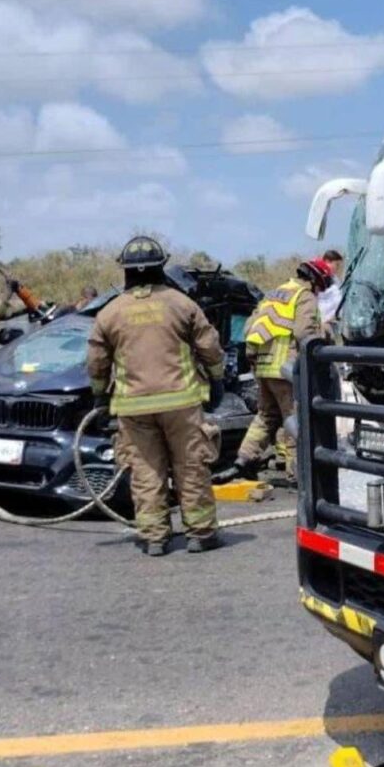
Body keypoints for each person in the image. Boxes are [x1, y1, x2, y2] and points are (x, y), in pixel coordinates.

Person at [86, 236, 226, 557]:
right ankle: (200, 534)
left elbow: (96, 361)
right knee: (191, 466)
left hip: (133, 406)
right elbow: (209, 346)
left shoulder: (110, 313)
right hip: (181, 402)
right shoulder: (181, 304)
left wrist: (99, 398)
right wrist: (216, 381)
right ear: (161, 266)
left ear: (126, 271)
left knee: (146, 471)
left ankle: (155, 538)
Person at [214, 258, 332, 486]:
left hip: (264, 367)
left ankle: (242, 461)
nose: (319, 293)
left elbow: (250, 328)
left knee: (265, 417)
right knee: (295, 419)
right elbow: (303, 332)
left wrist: (254, 360)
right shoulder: (304, 296)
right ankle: (298, 475)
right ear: (316, 281)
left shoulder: (273, 294)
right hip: (286, 370)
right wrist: (324, 336)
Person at [317, 249, 345, 333]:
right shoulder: (318, 278)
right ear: (327, 262)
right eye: (336, 265)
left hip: (334, 321)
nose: (338, 268)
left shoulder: (334, 278)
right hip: (323, 323)